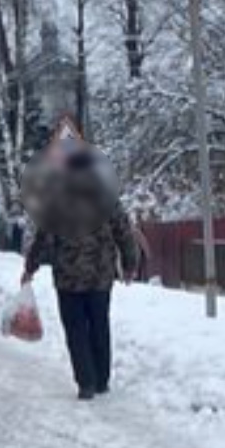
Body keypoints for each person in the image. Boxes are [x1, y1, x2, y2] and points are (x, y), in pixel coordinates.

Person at [19, 144, 138, 400]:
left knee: (75, 330)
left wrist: (30, 267)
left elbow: (43, 238)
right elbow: (124, 233)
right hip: (101, 276)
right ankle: (102, 380)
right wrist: (130, 264)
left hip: (68, 277)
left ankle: (86, 382)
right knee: (99, 325)